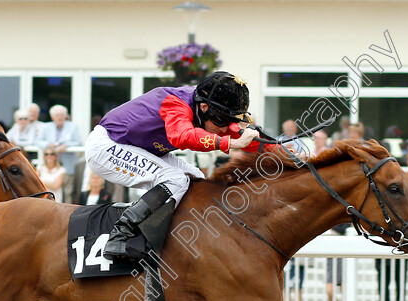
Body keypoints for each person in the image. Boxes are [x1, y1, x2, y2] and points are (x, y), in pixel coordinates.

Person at [84, 71, 260, 259]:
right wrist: (231, 144)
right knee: (175, 179)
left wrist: (282, 151)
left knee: (199, 180)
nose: (225, 128)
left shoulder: (206, 106)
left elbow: (240, 134)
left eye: (230, 121)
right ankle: (120, 236)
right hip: (107, 145)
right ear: (204, 107)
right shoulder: (176, 103)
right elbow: (183, 136)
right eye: (223, 121)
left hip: (138, 148)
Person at [38, 104, 82, 204]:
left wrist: (66, 145)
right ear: (52, 117)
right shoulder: (46, 126)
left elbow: (78, 142)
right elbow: (38, 141)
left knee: (68, 191)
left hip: (67, 164)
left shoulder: (73, 126)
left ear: (65, 116)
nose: (60, 117)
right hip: (51, 164)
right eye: (57, 115)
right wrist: (48, 144)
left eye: (62, 114)